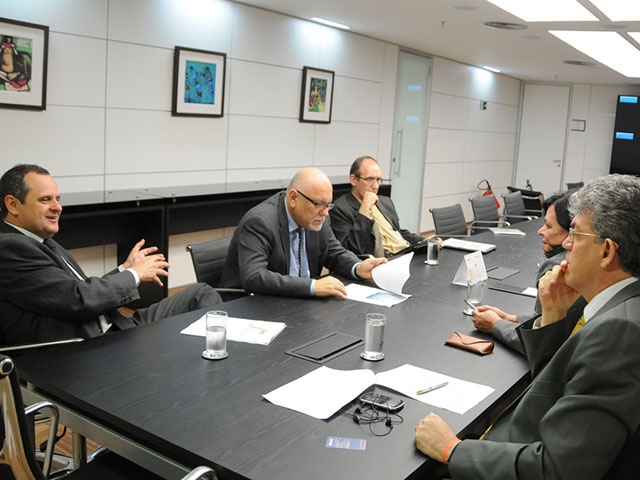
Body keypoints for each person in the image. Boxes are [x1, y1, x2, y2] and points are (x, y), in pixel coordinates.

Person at [415, 174, 640, 479]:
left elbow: (560, 470)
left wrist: (452, 450)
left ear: (607, 251)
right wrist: (552, 315)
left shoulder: (620, 333)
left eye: (574, 234)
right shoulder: (620, 308)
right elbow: (558, 386)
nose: (567, 245)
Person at [0, 164, 222, 346]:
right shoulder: (10, 248)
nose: (57, 207)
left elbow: (80, 290)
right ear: (12, 205)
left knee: (199, 293)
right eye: (45, 200)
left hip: (117, 326)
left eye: (57, 198)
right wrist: (134, 274)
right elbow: (79, 299)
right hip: (92, 347)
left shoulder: (41, 241)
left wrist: (124, 270)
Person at [221, 167, 386, 298]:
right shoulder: (260, 222)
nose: (325, 212)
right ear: (293, 198)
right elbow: (255, 277)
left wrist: (357, 267)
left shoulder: (318, 216)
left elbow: (333, 252)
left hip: (299, 304)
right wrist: (312, 286)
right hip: (253, 305)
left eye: (328, 204)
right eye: (319, 204)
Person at [471, 191, 586, 353]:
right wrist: (512, 319)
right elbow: (553, 320)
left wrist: (496, 325)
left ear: (571, 231)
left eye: (548, 225)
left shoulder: (558, 267)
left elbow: (540, 342)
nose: (540, 231)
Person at [330, 156, 424, 257]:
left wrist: (423, 241)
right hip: (387, 261)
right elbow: (352, 249)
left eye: (378, 180)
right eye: (369, 179)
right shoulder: (339, 208)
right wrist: (365, 209)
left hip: (408, 253)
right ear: (353, 180)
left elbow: (398, 232)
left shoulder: (385, 201)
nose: (375, 186)